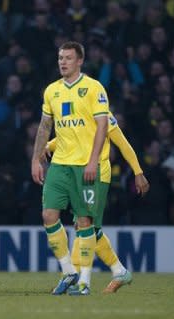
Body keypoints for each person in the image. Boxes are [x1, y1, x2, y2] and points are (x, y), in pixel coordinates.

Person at [31, 41, 109, 296]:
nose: (62, 62)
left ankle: (85, 281)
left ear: (80, 61)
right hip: (60, 165)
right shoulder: (52, 91)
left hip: (84, 165)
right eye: (60, 58)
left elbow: (102, 127)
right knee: (48, 216)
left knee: (84, 220)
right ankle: (69, 271)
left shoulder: (93, 88)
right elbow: (44, 128)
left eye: (68, 58)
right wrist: (35, 159)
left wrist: (93, 160)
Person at [46, 112, 150, 293]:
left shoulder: (103, 115)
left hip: (99, 175)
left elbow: (122, 143)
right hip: (79, 173)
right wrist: (49, 144)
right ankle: (119, 271)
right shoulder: (80, 110)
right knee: (88, 227)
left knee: (84, 224)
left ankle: (79, 276)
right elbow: (70, 137)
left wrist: (138, 172)